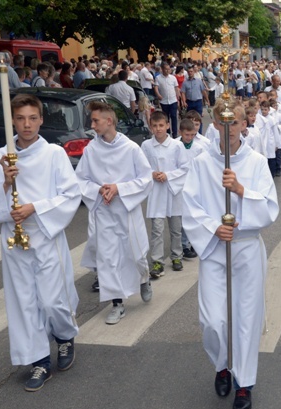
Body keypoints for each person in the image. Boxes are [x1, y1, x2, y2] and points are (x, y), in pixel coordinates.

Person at [182, 100, 279, 409]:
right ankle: (222, 364)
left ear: (243, 125)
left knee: (246, 320)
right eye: (222, 123)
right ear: (214, 125)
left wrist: (240, 190)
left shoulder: (256, 162)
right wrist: (213, 228)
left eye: (234, 122)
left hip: (246, 248)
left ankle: (244, 383)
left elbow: (269, 209)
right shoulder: (200, 162)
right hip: (215, 249)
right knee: (212, 320)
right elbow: (190, 206)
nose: (228, 129)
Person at [0, 94, 80, 391]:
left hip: (44, 233)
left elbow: (70, 195)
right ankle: (39, 360)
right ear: (12, 120)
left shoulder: (54, 154)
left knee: (53, 300)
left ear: (41, 120)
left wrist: (35, 207)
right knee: (23, 301)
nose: (26, 124)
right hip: (14, 239)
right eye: (20, 118)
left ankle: (64, 337)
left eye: (32, 118)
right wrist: (4, 183)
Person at [75, 101, 153, 325]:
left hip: (126, 211)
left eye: (96, 120)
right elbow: (81, 179)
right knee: (107, 259)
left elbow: (145, 179)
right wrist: (99, 189)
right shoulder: (91, 150)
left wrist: (119, 188)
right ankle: (117, 304)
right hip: (104, 211)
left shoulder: (130, 149)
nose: (92, 125)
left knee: (134, 255)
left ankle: (144, 278)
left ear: (109, 121)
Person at [141, 111, 189, 278]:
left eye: (161, 125)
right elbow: (142, 167)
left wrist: (168, 175)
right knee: (157, 229)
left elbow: (184, 168)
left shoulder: (177, 146)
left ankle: (176, 256)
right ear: (150, 127)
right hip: (156, 191)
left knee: (176, 228)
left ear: (168, 125)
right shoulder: (146, 146)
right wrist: (152, 174)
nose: (158, 129)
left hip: (173, 190)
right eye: (155, 126)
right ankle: (157, 261)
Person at [176, 118, 206, 259]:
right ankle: (183, 245)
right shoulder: (175, 145)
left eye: (192, 135)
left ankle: (192, 242)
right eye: (186, 135)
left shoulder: (198, 148)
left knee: (193, 215)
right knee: (180, 217)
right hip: (178, 186)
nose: (189, 138)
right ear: (180, 132)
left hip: (193, 185)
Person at [154, 63, 181, 136]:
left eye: (168, 69)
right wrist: (158, 95)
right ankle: (168, 132)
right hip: (164, 101)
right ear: (162, 69)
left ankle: (175, 133)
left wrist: (178, 97)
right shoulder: (158, 78)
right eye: (166, 69)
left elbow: (176, 88)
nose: (167, 71)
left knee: (174, 116)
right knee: (166, 118)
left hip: (173, 100)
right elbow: (156, 87)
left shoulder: (173, 78)